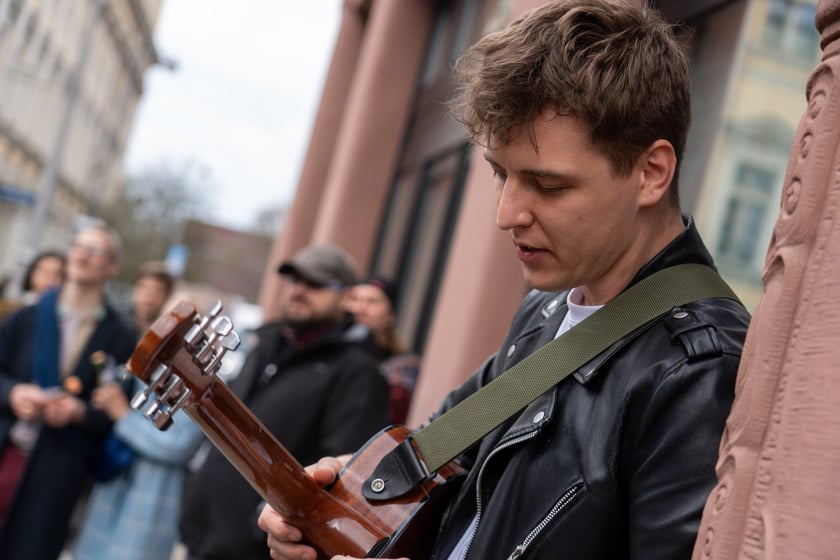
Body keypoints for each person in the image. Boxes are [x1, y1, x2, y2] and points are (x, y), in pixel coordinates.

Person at [257, 2, 752, 560]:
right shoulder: (545, 311)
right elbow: (443, 461)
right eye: (501, 174)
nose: (507, 213)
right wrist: (344, 493)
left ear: (651, 173)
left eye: (547, 184)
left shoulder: (701, 373)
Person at [179, 243, 389, 560]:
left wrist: (261, 525)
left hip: (264, 549)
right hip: (202, 536)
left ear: (346, 297)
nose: (299, 291)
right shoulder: (264, 342)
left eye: (315, 284)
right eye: (295, 281)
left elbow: (340, 478)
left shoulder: (359, 373)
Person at [0, 222, 137, 559]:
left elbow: (114, 413)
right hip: (7, 451)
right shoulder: (27, 317)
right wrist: (13, 394)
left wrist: (79, 412)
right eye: (78, 246)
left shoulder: (120, 336)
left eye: (95, 250)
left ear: (111, 267)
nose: (82, 254)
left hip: (57, 472)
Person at [71, 265, 200, 560]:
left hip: (151, 498)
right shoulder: (147, 366)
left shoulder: (201, 380)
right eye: (166, 319)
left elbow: (177, 445)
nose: (167, 328)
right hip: (113, 485)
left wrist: (122, 416)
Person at [346, 275, 420, 425]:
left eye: (371, 302)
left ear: (390, 316)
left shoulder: (402, 367)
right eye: (355, 300)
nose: (359, 309)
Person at [0, 250, 66, 323]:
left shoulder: (64, 316)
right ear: (32, 274)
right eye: (44, 272)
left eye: (56, 274)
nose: (49, 278)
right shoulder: (11, 309)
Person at [126, 261, 176, 335]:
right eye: (144, 288)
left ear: (167, 296)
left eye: (157, 291)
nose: (149, 298)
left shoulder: (169, 332)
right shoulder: (116, 323)